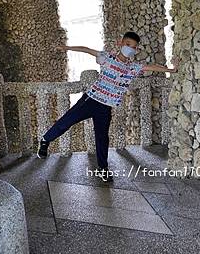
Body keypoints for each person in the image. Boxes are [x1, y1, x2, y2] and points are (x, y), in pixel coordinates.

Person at [37, 31, 178, 182]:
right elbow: (86, 49)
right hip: (90, 100)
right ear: (120, 43)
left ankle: (103, 169)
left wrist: (170, 70)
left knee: (102, 138)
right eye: (128, 44)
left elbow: (151, 67)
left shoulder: (132, 67)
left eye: (134, 47)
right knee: (67, 121)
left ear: (136, 50)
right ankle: (45, 140)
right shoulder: (107, 58)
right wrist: (66, 48)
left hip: (105, 107)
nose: (130, 49)